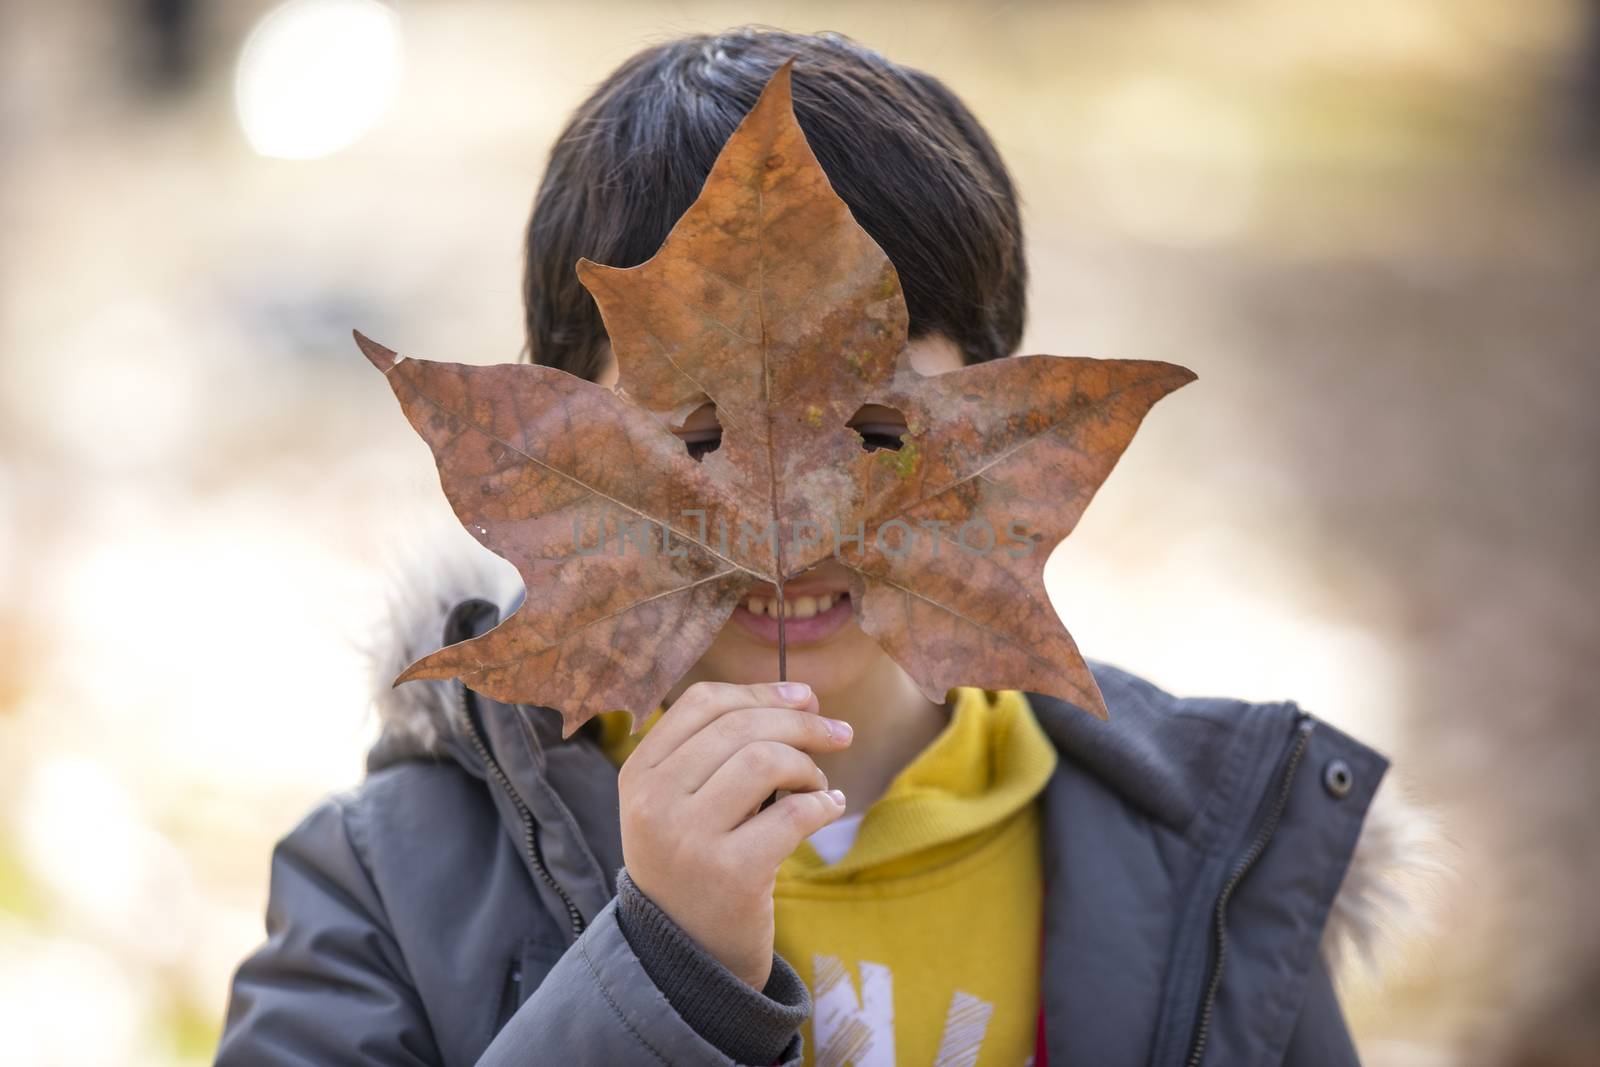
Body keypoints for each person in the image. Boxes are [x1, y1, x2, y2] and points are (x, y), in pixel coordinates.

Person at [214, 27, 1435, 1067]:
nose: (789, 520)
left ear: (1008, 433)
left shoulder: (1209, 870)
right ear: (557, 448)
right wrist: (658, 974)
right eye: (698, 439)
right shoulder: (390, 881)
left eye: (876, 429)